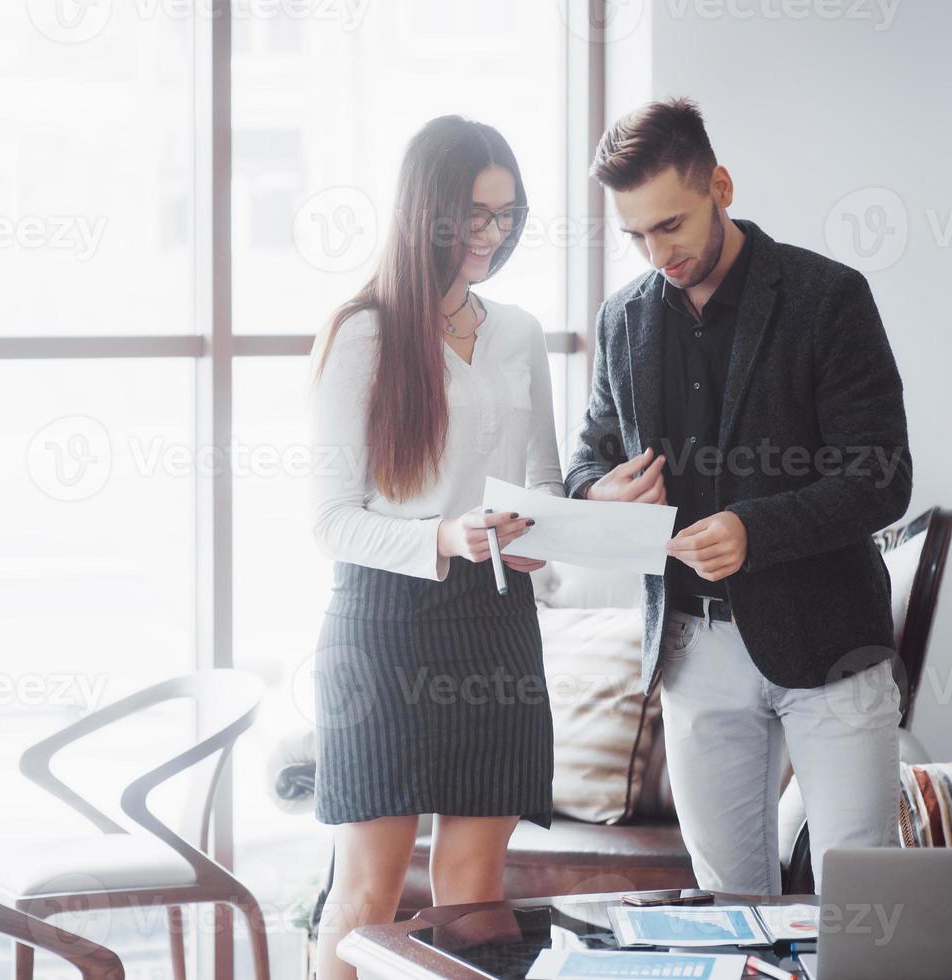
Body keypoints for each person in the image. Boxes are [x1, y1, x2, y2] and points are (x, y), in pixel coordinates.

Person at [566, 98, 912, 894]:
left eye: (672, 225)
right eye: (636, 235)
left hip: (831, 642)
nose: (658, 253)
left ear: (720, 183)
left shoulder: (828, 298)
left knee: (858, 899)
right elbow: (588, 458)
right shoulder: (621, 320)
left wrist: (754, 530)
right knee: (724, 901)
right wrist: (601, 493)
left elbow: (882, 476)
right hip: (692, 645)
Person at [307, 115, 565, 978]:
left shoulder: (520, 333)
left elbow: (544, 487)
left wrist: (546, 536)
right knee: (367, 897)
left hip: (495, 618)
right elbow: (332, 520)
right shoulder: (364, 334)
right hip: (382, 627)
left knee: (471, 898)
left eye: (507, 215)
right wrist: (445, 536)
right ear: (427, 213)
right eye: (473, 216)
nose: (492, 236)